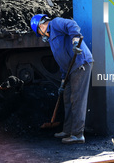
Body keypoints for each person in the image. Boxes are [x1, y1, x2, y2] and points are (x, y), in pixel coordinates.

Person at [31, 14, 93, 144]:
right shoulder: (52, 39)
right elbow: (62, 60)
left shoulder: (56, 23)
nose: (42, 35)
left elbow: (72, 25)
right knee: (67, 97)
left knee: (77, 98)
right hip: (69, 69)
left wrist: (75, 40)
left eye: (39, 32)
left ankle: (77, 134)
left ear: (41, 26)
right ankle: (68, 130)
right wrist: (63, 80)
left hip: (80, 63)